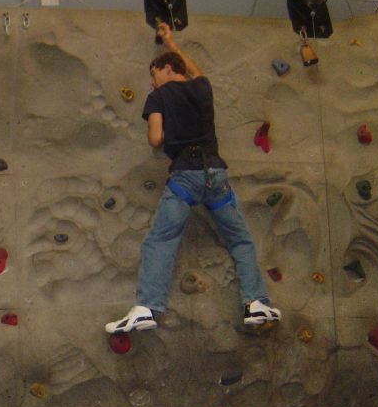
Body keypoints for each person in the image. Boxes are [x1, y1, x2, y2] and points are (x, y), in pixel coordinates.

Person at [105, 21, 281, 334]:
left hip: (185, 176)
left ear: (165, 69)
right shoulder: (201, 88)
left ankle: (146, 307)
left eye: (153, 74)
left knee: (160, 240)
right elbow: (194, 70)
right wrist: (170, 42)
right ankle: (256, 303)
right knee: (239, 239)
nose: (151, 81)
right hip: (216, 176)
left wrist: (160, 112)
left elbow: (156, 139)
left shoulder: (159, 97)